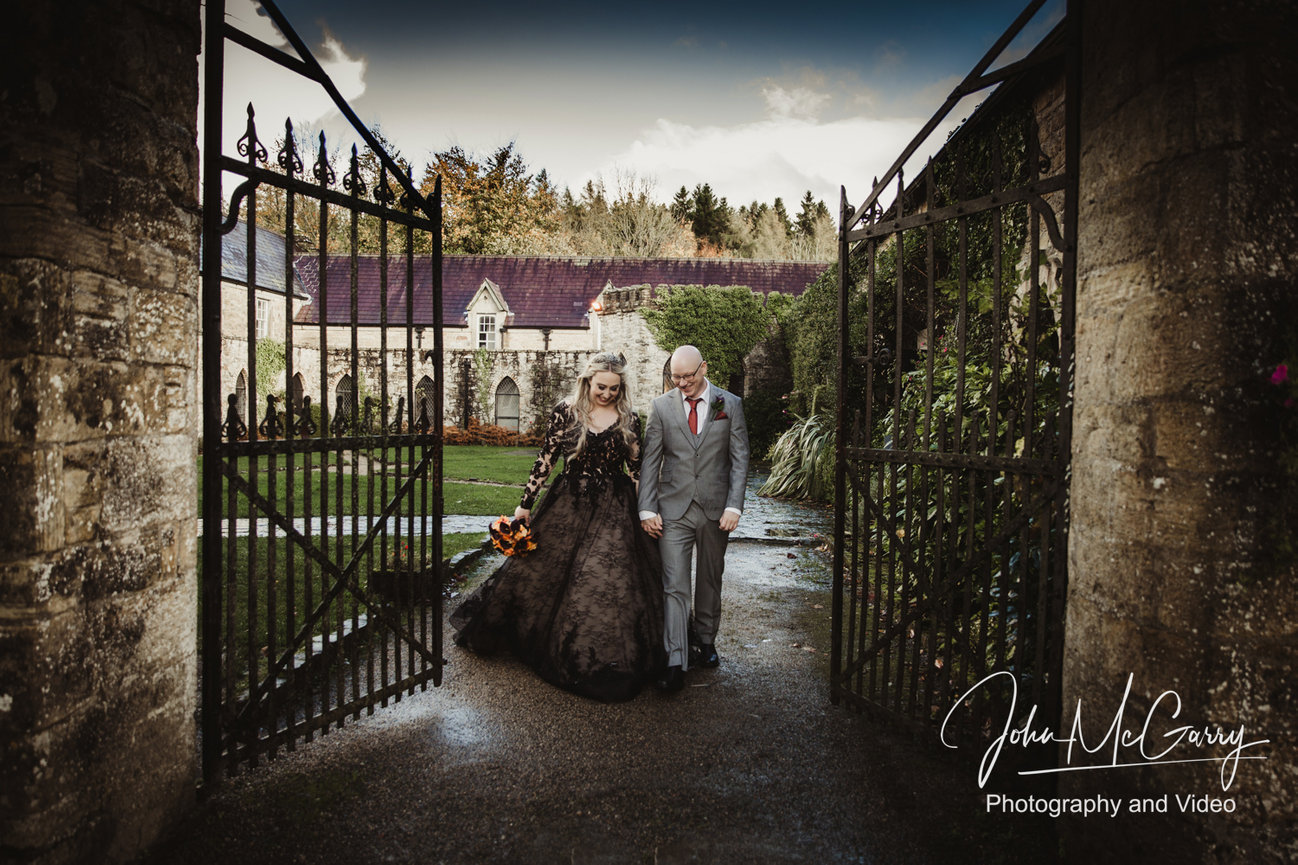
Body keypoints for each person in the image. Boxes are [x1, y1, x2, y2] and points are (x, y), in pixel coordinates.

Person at [450, 352, 667, 702]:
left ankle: (601, 657)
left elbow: (638, 471)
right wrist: (525, 504)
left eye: (614, 388)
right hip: (568, 503)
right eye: (601, 387)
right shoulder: (566, 410)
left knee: (606, 579)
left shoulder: (629, 417)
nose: (607, 394)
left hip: (615, 509)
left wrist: (646, 513)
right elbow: (546, 459)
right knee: (538, 572)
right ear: (587, 381)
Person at [638, 345, 750, 692]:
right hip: (673, 509)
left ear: (704, 367)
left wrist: (735, 506)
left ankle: (706, 640)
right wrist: (647, 508)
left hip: (717, 510)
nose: (683, 383)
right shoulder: (661, 407)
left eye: (689, 376)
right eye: (677, 377)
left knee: (710, 578)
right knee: (674, 585)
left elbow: (740, 457)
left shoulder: (728, 404)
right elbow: (650, 460)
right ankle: (676, 659)